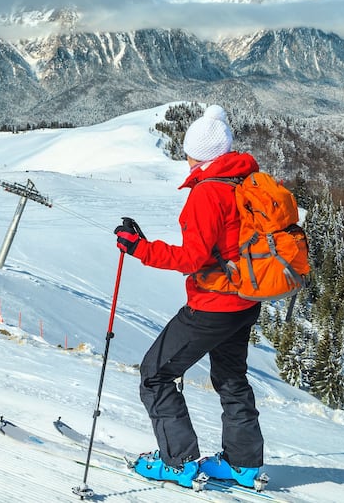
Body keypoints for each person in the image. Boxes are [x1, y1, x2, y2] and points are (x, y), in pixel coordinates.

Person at [114, 109, 265, 489]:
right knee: (231, 377)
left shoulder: (208, 191)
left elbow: (193, 258)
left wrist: (140, 249)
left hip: (213, 304)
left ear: (195, 153)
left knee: (155, 374)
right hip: (245, 299)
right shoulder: (245, 179)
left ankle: (178, 462)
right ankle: (243, 465)